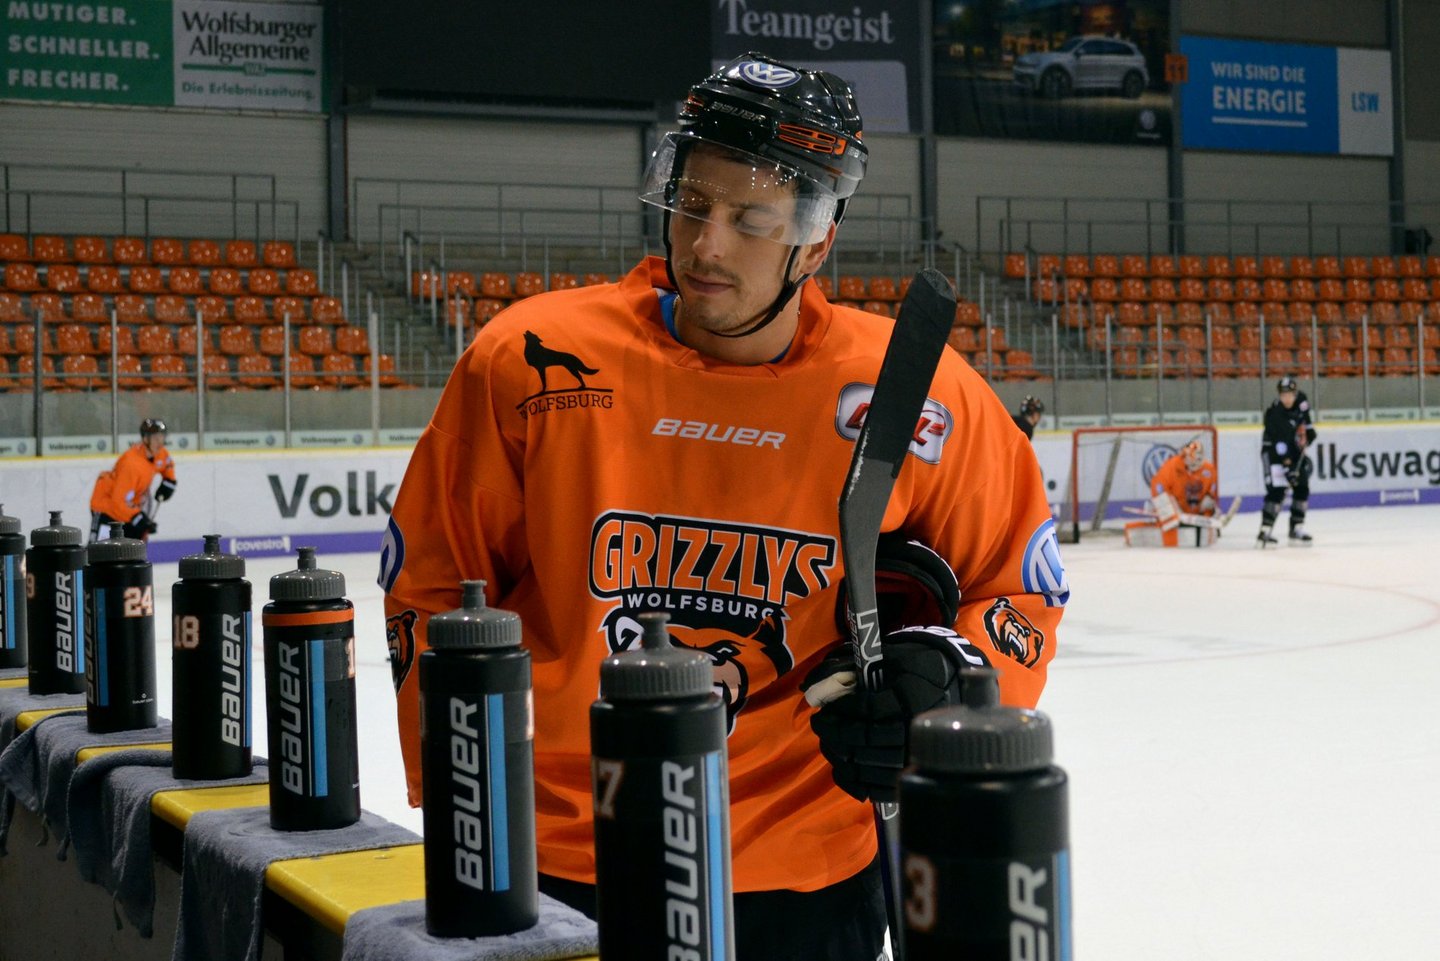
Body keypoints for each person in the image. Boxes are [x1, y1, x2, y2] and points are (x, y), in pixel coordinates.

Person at [380, 53, 1066, 960]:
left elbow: (1017, 588)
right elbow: (433, 585)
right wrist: (470, 805)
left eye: (751, 220)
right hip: (556, 855)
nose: (706, 247)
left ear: (814, 242)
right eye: (693, 204)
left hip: (802, 871)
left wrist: (949, 679)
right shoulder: (528, 359)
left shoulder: (917, 393)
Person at [89, 418, 176, 541]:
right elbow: (118, 502)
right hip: (107, 509)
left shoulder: (160, 453)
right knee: (102, 550)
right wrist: (137, 517)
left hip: (128, 508)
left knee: (134, 548)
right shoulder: (131, 465)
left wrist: (169, 481)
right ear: (145, 439)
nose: (160, 442)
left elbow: (167, 464)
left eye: (162, 437)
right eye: (156, 438)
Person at [1126, 438, 1220, 547]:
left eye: (1199, 458)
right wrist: (1173, 507)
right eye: (1192, 458)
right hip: (1175, 509)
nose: (1196, 463)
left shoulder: (1209, 469)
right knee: (1167, 512)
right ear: (1185, 456)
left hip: (1194, 511)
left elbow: (1211, 491)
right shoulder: (1172, 466)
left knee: (1211, 513)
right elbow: (1158, 487)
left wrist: (1209, 499)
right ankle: (1169, 523)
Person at [1258, 375, 1316, 547]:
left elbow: (1305, 416)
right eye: (1283, 395)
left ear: (1295, 393)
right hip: (1273, 452)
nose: (1287, 398)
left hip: (1293, 447)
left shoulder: (1302, 400)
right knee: (1277, 490)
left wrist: (1310, 430)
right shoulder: (1275, 414)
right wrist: (1288, 466)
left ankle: (1296, 528)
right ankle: (1264, 531)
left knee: (1302, 486)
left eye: (1290, 394)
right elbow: (1280, 445)